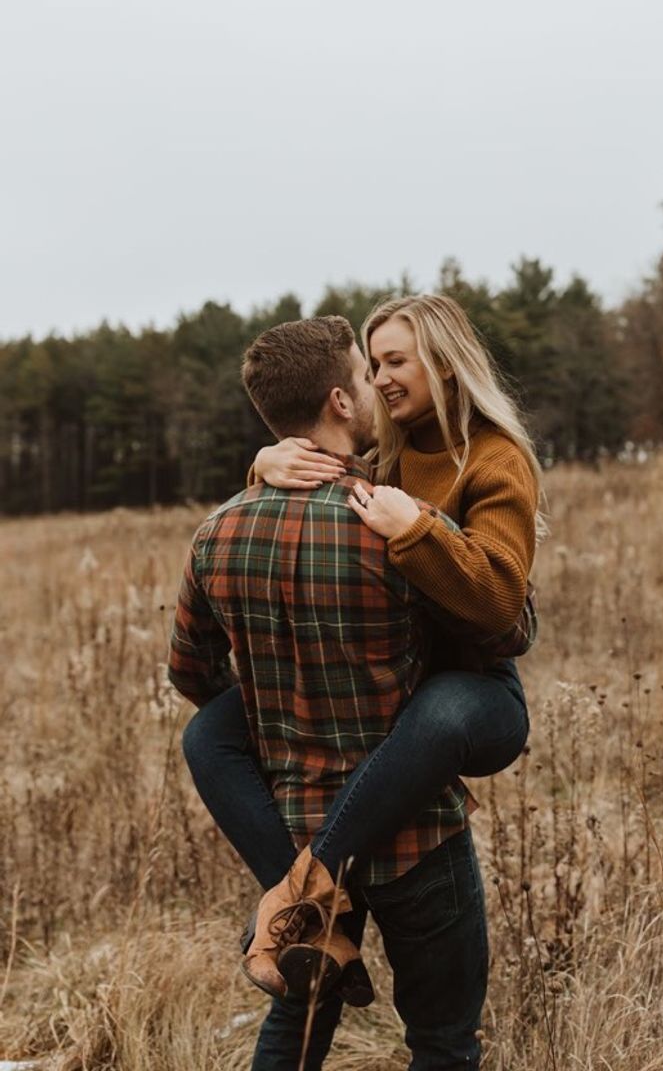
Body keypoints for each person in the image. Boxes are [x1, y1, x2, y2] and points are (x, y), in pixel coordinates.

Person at [169, 314, 496, 1069]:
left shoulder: (217, 532)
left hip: (294, 833)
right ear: (341, 403)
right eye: (363, 374)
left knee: (293, 1032)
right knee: (443, 1042)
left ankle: (303, 906)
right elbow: (502, 632)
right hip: (418, 833)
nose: (376, 386)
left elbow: (190, 672)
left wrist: (277, 702)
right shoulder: (391, 525)